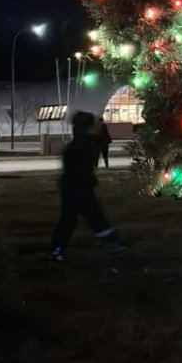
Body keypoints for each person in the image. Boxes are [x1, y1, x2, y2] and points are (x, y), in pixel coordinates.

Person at [50, 111, 124, 261]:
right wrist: (88, 181)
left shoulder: (82, 143)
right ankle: (58, 250)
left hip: (74, 188)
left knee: (76, 220)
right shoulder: (80, 146)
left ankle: (58, 249)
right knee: (87, 218)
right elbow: (79, 171)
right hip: (77, 189)